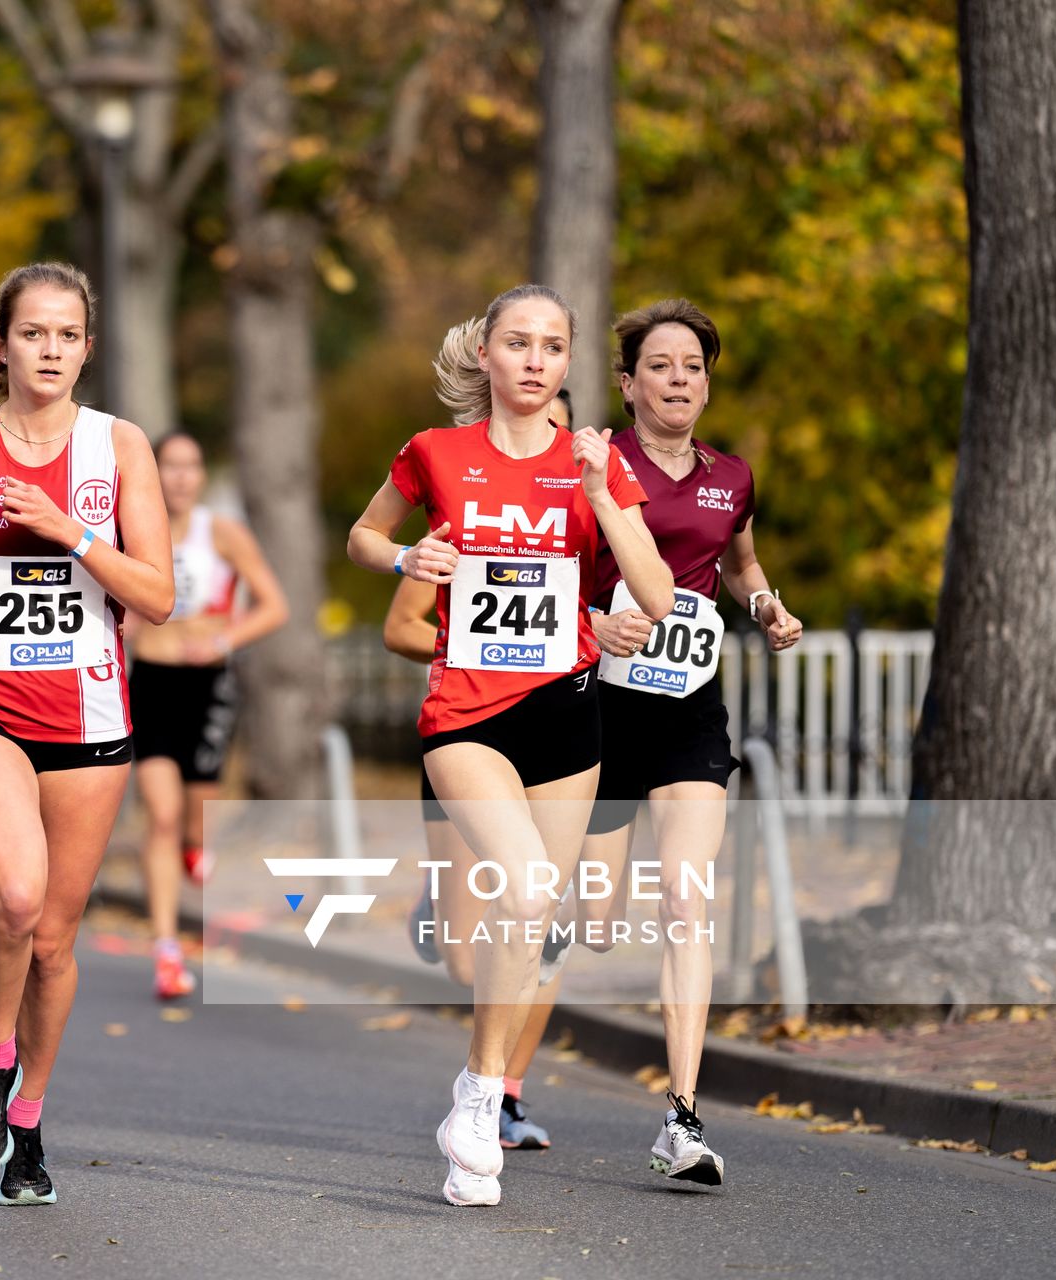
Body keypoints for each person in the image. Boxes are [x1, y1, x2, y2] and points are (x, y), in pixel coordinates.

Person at [347, 284, 672, 1207]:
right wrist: (410, 559)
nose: (536, 360)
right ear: (485, 356)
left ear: (569, 363)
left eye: (554, 346)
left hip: (567, 715)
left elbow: (651, 594)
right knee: (524, 889)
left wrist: (608, 498)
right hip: (465, 715)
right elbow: (363, 536)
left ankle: (479, 1099)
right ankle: (482, 1096)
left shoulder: (595, 462)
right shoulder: (435, 453)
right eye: (519, 343)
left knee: (535, 923)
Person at [0, 261, 172, 1207]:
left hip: (90, 713)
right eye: (33, 333)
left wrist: (72, 532)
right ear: (1, 343)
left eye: (67, 335)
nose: (49, 350)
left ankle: (28, 1119)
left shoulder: (120, 448)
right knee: (14, 895)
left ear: (87, 349)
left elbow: (159, 599)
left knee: (54, 940)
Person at [543, 298, 802, 1187]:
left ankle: (682, 1119)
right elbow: (542, 569)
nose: (678, 380)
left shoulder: (733, 476)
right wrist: (587, 620)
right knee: (599, 922)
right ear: (627, 382)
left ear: (707, 378)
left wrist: (766, 608)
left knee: (687, 904)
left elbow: (737, 561)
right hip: (598, 707)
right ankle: (503, 1058)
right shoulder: (591, 462)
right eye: (660, 365)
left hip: (690, 706)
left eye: (692, 365)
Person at [126, 431, 288, 999]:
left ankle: (199, 846)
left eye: (191, 466)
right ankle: (166, 948)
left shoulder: (222, 533)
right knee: (162, 815)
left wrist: (225, 640)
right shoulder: (131, 530)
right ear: (153, 472)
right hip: (151, 679)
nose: (180, 477)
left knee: (195, 816)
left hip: (208, 684)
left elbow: (273, 605)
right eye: (169, 466)